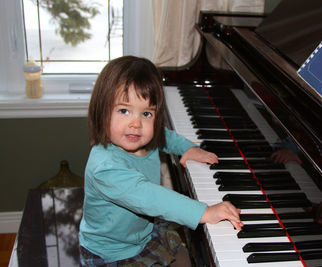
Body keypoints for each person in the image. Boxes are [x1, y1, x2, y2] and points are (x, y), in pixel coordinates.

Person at [78, 56, 243, 266]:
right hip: (112, 253)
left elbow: (165, 137)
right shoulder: (105, 168)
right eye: (124, 111)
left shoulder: (144, 138)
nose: (135, 124)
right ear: (102, 111)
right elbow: (150, 197)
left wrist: (188, 148)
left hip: (141, 234)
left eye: (146, 113)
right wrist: (205, 212)